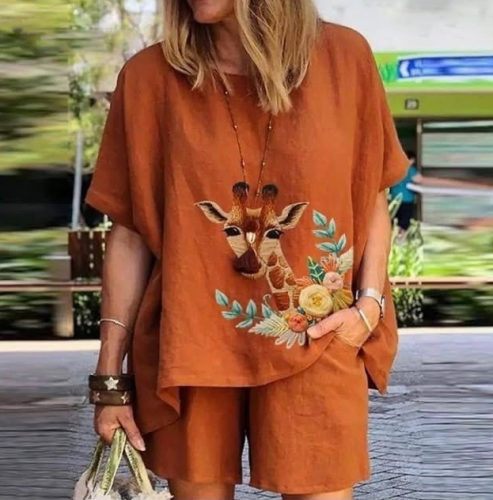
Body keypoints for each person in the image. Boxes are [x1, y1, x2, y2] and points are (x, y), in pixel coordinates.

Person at [85, 1, 409, 499]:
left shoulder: (345, 60)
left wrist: (368, 307)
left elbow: (371, 195)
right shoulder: (149, 78)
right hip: (191, 344)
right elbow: (129, 233)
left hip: (316, 333)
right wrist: (110, 379)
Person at [389, 151, 419, 231]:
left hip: (395, 198)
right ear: (411, 160)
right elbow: (419, 180)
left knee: (393, 220)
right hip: (407, 199)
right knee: (404, 223)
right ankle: (401, 236)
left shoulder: (395, 168)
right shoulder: (410, 170)